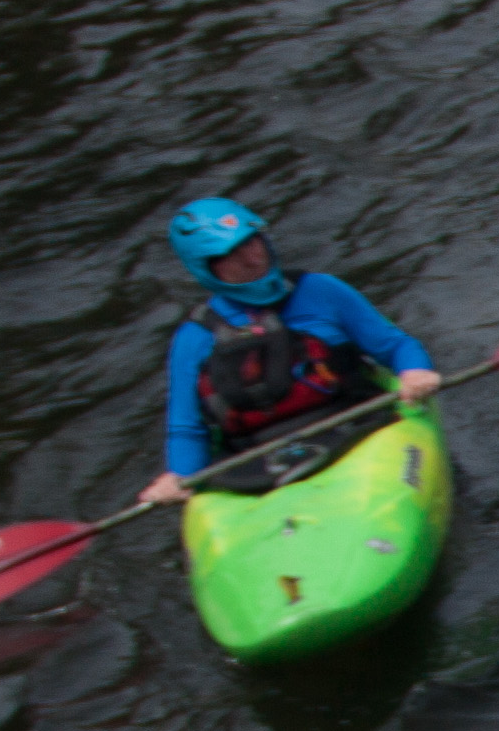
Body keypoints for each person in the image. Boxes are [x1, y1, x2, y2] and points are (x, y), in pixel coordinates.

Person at [133, 197, 440, 508]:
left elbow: (396, 346)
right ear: (207, 268)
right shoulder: (194, 338)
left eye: (251, 242)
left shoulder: (321, 291)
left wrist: (414, 370)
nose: (253, 259)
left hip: (360, 428)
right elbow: (188, 428)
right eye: (231, 255)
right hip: (256, 464)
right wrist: (180, 476)